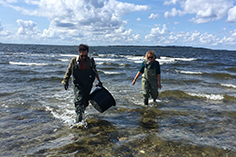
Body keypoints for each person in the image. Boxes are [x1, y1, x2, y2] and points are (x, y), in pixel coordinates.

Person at [61, 44, 102, 122]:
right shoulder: (74, 60)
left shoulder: (90, 60)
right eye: (81, 53)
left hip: (88, 83)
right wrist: (65, 81)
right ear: (79, 52)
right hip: (78, 84)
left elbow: (94, 71)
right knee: (79, 99)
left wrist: (99, 81)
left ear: (87, 52)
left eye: (84, 54)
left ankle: (81, 113)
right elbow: (69, 71)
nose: (83, 57)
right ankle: (78, 120)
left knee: (85, 100)